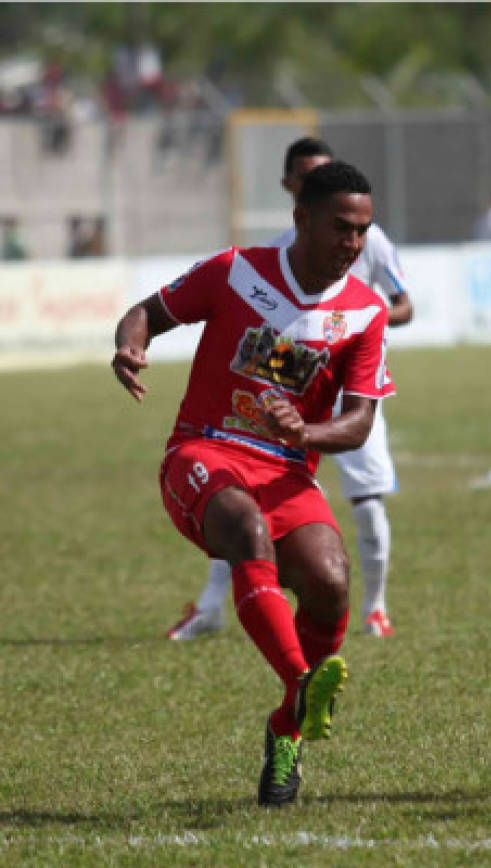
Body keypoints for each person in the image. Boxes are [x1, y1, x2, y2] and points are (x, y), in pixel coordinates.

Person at [112, 161, 392, 807]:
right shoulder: (236, 270)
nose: (353, 244)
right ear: (301, 219)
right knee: (247, 530)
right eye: (341, 228)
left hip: (287, 468)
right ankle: (301, 682)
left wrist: (305, 435)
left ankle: (286, 728)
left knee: (330, 581)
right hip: (202, 453)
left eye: (363, 232)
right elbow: (145, 314)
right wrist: (129, 347)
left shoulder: (364, 312)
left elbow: (358, 423)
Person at [168, 137, 412, 641]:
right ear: (294, 193)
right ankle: (215, 606)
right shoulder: (272, 256)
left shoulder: (369, 249)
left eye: (359, 229)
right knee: (236, 510)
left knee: (366, 504)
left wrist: (357, 327)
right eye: (304, 176)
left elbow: (400, 306)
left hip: (348, 394)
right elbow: (267, 343)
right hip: (281, 409)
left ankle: (377, 607)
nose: (352, 239)